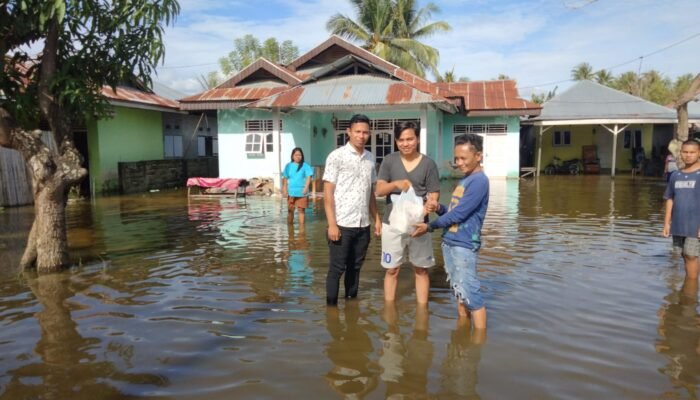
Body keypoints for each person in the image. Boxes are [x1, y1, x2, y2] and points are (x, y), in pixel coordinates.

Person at [412, 133, 489, 329]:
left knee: (471, 293)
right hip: (451, 242)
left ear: (478, 156)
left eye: (464, 158)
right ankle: (462, 334)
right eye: (456, 158)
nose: (459, 162)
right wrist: (439, 208)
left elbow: (460, 215)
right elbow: (453, 212)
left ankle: (479, 342)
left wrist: (429, 227)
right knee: (459, 290)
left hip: (464, 245)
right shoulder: (466, 180)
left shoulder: (479, 181)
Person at [376, 121, 440, 304]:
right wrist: (395, 184)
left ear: (417, 139)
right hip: (392, 225)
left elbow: (434, 193)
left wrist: (431, 204)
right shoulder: (389, 161)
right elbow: (379, 190)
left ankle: (422, 311)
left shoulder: (429, 164)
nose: (406, 143)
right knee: (391, 270)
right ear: (396, 141)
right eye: (401, 140)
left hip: (418, 226)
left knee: (421, 269)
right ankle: (389, 309)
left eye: (410, 139)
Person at [323, 114, 381, 306]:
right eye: (357, 132)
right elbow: (328, 193)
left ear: (369, 134)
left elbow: (370, 192)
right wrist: (332, 224)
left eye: (365, 132)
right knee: (337, 268)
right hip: (341, 224)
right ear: (349, 132)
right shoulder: (336, 156)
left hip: (362, 224)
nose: (361, 136)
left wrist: (377, 219)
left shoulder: (370, 158)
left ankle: (351, 306)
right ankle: (331, 310)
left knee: (355, 268)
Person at [663, 139, 700, 280]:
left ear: (699, 153)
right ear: (680, 153)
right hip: (678, 223)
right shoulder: (675, 175)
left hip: (695, 224)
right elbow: (669, 198)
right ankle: (690, 289)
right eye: (685, 152)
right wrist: (667, 223)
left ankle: (690, 293)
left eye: (692, 152)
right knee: (684, 255)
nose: (688, 155)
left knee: (691, 255)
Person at [282, 147, 314, 225]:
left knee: (301, 211)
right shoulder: (288, 166)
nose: (298, 156)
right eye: (296, 155)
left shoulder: (305, 165)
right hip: (291, 192)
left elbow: (308, 177)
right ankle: (290, 229)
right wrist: (285, 190)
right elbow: (285, 178)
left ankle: (302, 232)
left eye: (299, 155)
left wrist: (306, 188)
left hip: (302, 192)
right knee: (290, 211)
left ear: (302, 156)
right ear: (292, 156)